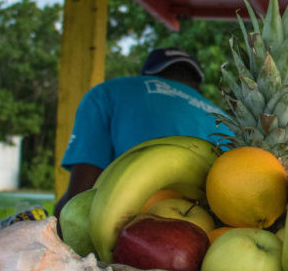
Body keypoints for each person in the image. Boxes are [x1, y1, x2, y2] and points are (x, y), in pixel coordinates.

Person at [53, 48, 223, 216]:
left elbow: (78, 198)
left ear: (144, 76)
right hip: (211, 230)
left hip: (126, 223)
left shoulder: (106, 94)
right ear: (196, 85)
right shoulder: (222, 117)